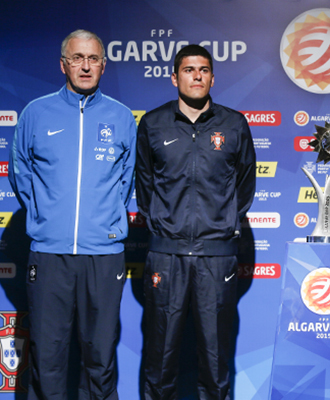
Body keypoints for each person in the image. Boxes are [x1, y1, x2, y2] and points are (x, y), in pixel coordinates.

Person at [8, 29, 137, 399]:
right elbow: (21, 175)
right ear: (63, 64)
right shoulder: (36, 112)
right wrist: (48, 218)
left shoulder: (122, 116)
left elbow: (126, 182)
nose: (85, 65)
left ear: (103, 65)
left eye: (93, 58)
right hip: (49, 254)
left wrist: (106, 222)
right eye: (77, 58)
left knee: (100, 357)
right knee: (48, 357)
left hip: (104, 254)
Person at [135, 44, 256, 400]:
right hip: (165, 256)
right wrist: (163, 222)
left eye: (203, 70)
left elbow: (245, 185)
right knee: (160, 359)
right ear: (175, 77)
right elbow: (144, 187)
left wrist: (222, 223)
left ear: (213, 77)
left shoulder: (234, 124)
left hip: (217, 257)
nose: (197, 76)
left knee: (216, 361)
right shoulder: (153, 123)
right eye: (189, 70)